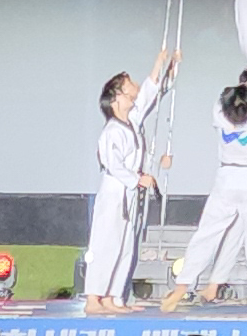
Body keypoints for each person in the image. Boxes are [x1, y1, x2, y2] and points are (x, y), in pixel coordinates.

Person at [161, 73, 247, 315]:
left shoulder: (220, 113)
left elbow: (226, 98)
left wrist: (244, 86)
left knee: (207, 233)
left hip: (226, 178)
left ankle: (182, 284)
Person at [82, 48, 177, 314]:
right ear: (116, 98)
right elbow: (114, 165)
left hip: (131, 193)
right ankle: (93, 298)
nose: (134, 90)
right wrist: (138, 179)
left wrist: (164, 66)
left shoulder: (132, 121)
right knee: (106, 243)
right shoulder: (112, 131)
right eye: (128, 87)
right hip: (115, 191)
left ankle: (114, 297)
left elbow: (149, 94)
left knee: (124, 246)